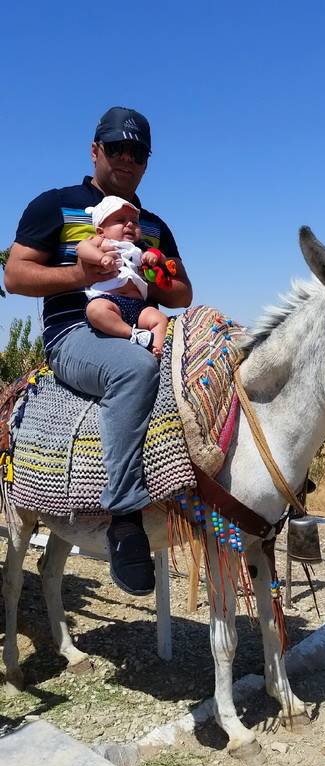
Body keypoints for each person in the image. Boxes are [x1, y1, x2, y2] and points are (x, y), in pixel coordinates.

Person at [5, 106, 193, 596]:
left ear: (147, 162)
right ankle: (125, 516)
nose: (127, 159)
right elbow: (16, 275)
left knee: (215, 361)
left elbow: (181, 294)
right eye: (117, 148)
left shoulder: (152, 226)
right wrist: (81, 276)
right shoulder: (57, 205)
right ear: (95, 151)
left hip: (141, 318)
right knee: (132, 368)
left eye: (138, 152)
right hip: (77, 331)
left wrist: (152, 271)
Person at [78, 195, 171, 357]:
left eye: (134, 222)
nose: (129, 224)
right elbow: (82, 248)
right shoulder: (102, 242)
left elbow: (162, 257)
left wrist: (155, 257)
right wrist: (100, 258)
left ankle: (157, 351)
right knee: (95, 310)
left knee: (160, 319)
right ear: (101, 231)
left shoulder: (140, 247)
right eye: (120, 220)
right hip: (110, 300)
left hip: (139, 305)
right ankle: (132, 334)